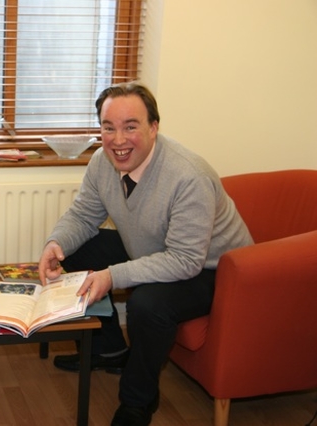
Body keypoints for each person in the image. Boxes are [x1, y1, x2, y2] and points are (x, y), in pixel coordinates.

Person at [38, 82, 253, 426]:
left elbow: (184, 260)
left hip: (214, 269)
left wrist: (112, 277)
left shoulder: (188, 177)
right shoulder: (102, 162)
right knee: (75, 253)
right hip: (153, 246)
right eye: (109, 128)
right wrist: (55, 244)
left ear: (154, 128)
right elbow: (83, 215)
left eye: (130, 127)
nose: (118, 140)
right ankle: (109, 349)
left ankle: (138, 401)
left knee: (147, 305)